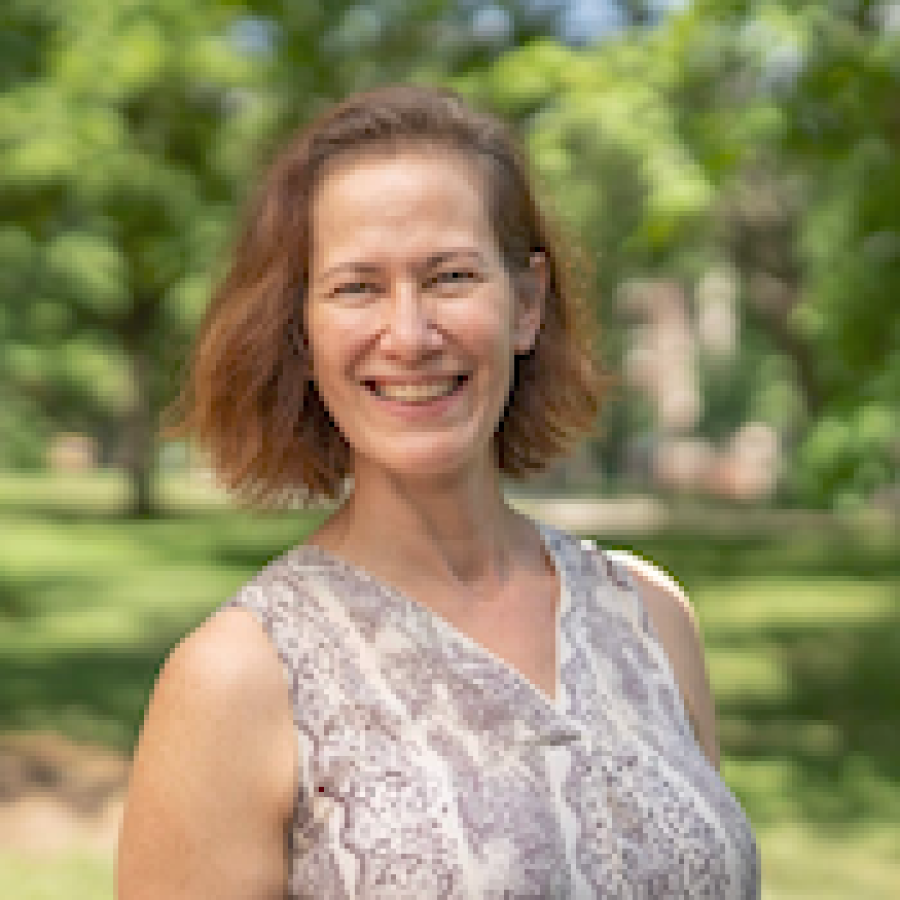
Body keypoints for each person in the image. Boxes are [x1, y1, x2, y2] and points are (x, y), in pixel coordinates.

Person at [116, 84, 759, 898]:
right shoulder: (237, 681)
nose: (411, 334)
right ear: (302, 336)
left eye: (450, 276)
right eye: (357, 287)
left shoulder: (652, 615)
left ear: (526, 304)